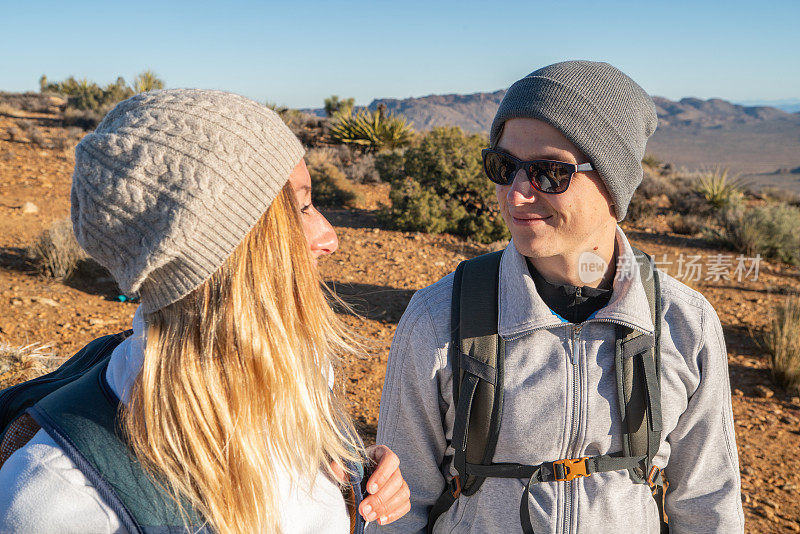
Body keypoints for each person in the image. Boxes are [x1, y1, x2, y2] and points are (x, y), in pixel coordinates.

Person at [0, 89, 410, 533]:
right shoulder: (60, 501)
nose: (329, 238)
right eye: (301, 208)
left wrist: (355, 478)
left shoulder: (304, 371)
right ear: (224, 253)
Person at [373, 61, 744, 533]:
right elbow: (397, 509)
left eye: (549, 173)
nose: (516, 194)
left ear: (613, 183)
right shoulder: (437, 318)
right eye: (503, 167)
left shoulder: (683, 323)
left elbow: (708, 504)